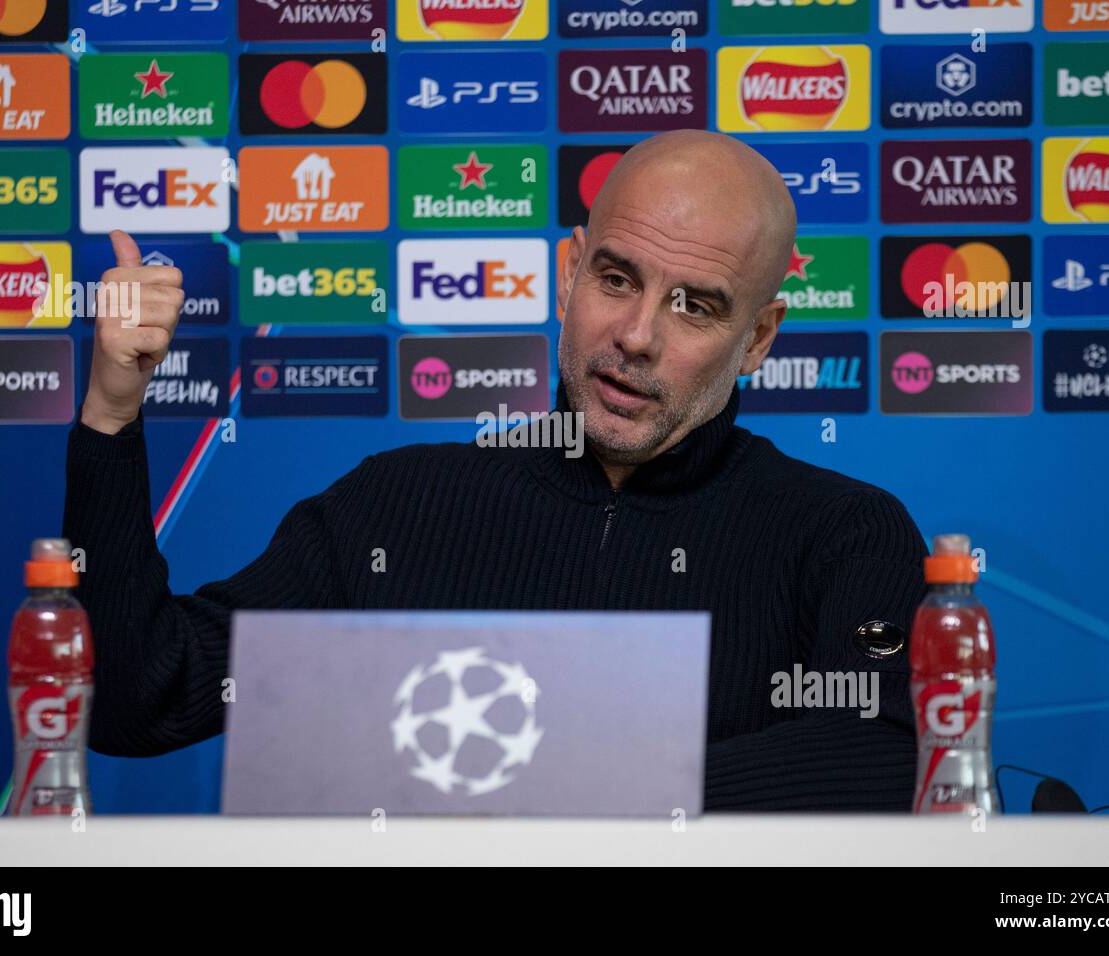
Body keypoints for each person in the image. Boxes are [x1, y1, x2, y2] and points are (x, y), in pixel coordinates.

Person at [66, 129, 928, 811]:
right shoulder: (398, 509)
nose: (636, 335)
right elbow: (139, 697)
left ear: (760, 340)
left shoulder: (844, 534)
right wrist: (110, 415)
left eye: (695, 305)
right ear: (568, 273)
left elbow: (889, 763)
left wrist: (542, 794)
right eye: (617, 278)